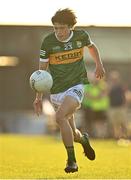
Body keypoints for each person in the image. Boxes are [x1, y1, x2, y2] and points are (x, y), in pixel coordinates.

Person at [33, 8, 105, 173]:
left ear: (71, 26)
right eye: (55, 28)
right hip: (57, 90)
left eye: (62, 27)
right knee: (72, 133)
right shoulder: (48, 42)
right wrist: (38, 98)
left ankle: (71, 161)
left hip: (76, 85)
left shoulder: (81, 36)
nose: (58, 32)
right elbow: (41, 73)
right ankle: (83, 139)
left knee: (59, 117)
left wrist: (99, 65)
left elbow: (92, 48)